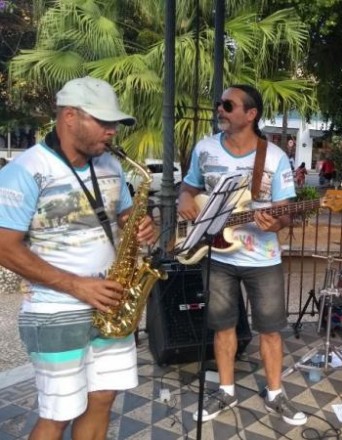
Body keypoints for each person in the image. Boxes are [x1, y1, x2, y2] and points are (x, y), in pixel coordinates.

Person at [0, 76, 156, 440]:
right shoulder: (25, 171)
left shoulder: (112, 166)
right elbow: (5, 246)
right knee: (59, 414)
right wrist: (76, 286)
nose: (112, 131)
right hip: (55, 310)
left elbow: (121, 214)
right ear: (70, 116)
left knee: (102, 399)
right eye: (103, 122)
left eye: (114, 123)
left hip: (110, 304)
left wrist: (138, 225)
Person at [178, 84, 307, 426]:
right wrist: (185, 200)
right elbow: (189, 187)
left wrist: (274, 223)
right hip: (218, 257)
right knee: (222, 328)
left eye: (228, 105)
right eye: (220, 104)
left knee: (270, 331)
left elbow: (285, 212)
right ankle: (226, 390)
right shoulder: (205, 149)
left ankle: (276, 394)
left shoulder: (274, 156)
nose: (220, 109)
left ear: (251, 114)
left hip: (263, 260)